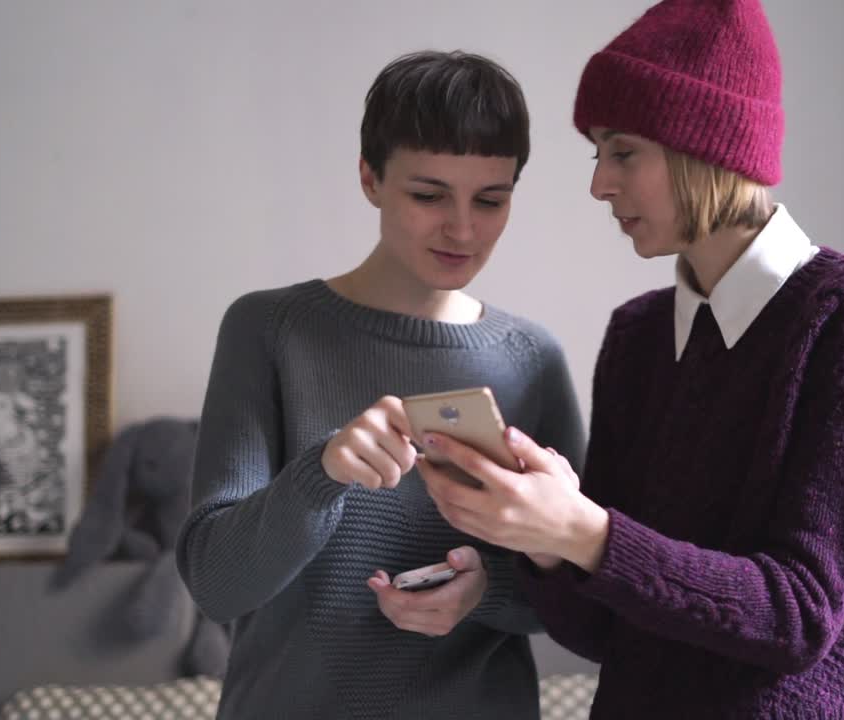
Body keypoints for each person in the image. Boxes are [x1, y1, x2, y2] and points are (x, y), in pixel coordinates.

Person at [417, 2, 844, 717]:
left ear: (707, 146)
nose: (600, 184)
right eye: (597, 153)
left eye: (622, 152)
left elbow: (799, 615)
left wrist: (580, 530)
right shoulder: (636, 338)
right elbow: (600, 631)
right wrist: (542, 540)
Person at [176, 50, 585, 720]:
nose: (462, 228)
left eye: (491, 199)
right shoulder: (268, 329)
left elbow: (579, 600)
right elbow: (217, 586)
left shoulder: (533, 357)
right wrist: (321, 473)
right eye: (428, 195)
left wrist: (484, 593)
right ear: (370, 178)